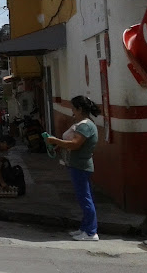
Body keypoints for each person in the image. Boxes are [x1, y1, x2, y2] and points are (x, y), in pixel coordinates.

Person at [45, 96, 100, 241]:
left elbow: (75, 144)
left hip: (81, 166)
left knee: (85, 199)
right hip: (78, 165)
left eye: (74, 108)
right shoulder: (84, 124)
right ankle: (85, 228)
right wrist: (58, 145)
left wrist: (55, 141)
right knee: (84, 198)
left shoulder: (85, 126)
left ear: (80, 109)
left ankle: (91, 232)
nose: (72, 111)